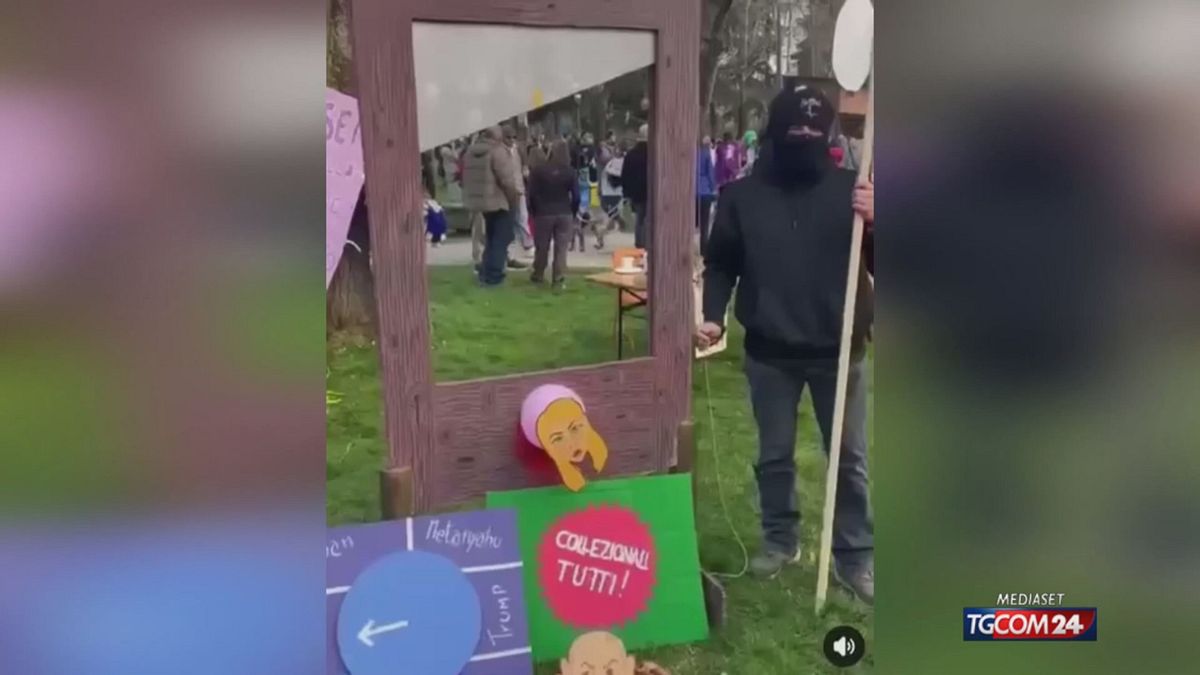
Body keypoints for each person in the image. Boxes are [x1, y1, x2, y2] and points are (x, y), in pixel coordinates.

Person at [696, 85, 876, 603]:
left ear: (829, 136)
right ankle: (780, 540)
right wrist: (713, 316)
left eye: (815, 131)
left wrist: (877, 221)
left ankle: (855, 556)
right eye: (794, 129)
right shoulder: (741, 197)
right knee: (773, 456)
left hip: (839, 349)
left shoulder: (855, 191)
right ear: (775, 133)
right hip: (770, 351)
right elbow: (721, 263)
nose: (805, 138)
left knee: (848, 459)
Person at [462, 125, 523, 286]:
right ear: (497, 136)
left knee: (491, 237)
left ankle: (485, 272)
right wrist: (513, 199)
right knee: (500, 239)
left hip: (482, 201)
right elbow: (507, 180)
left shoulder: (471, 151)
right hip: (500, 200)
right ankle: (494, 276)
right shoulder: (497, 151)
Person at [527, 140, 579, 289]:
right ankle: (558, 277)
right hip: (564, 212)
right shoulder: (570, 171)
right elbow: (576, 197)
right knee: (561, 247)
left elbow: (531, 194)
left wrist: (533, 211)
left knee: (542, 246)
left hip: (543, 212)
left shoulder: (538, 171)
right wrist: (572, 211)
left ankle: (538, 273)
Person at [502, 125, 535, 265]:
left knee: (522, 217)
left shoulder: (519, 150)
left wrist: (526, 173)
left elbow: (525, 168)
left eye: (513, 137)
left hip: (519, 189)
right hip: (505, 191)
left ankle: (528, 245)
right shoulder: (499, 152)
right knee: (509, 221)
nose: (511, 140)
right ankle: (509, 249)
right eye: (508, 137)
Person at [622, 125, 650, 249]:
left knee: (639, 218)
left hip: (636, 192)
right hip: (651, 191)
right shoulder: (654, 153)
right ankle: (648, 243)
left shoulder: (631, 154)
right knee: (649, 218)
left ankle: (639, 244)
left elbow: (625, 175)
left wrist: (626, 192)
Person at [695, 136, 717, 255]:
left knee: (691, 223)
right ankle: (703, 249)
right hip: (705, 192)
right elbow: (710, 173)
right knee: (704, 224)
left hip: (692, 192)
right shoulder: (706, 154)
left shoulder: (690, 154)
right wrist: (713, 188)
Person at [599, 144, 626, 236]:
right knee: (609, 207)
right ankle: (616, 220)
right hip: (613, 190)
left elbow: (605, 175)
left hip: (611, 191)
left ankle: (614, 221)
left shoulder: (613, 163)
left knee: (607, 207)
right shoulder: (614, 162)